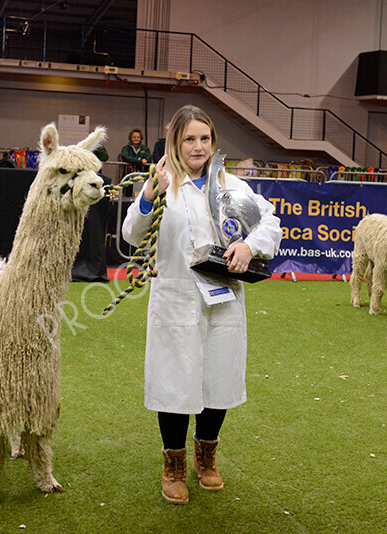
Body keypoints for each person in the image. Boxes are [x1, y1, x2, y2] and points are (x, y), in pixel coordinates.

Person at [122, 105, 281, 505]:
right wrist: (148, 195)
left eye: (204, 138)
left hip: (223, 298)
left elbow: (270, 222)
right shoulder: (162, 184)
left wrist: (248, 244)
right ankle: (172, 465)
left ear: (214, 142)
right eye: (189, 139)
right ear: (175, 141)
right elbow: (130, 234)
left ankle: (205, 457)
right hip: (175, 299)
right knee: (175, 382)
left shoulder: (229, 185)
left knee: (218, 378)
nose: (198, 146)